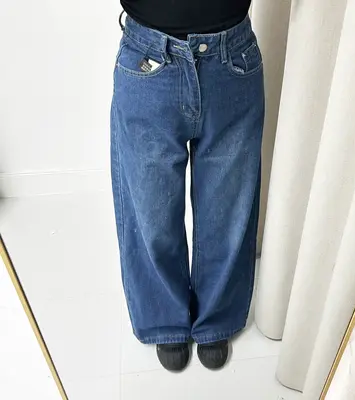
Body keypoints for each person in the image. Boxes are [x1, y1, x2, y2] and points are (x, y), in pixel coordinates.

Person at [111, 0, 265, 372]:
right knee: (150, 210)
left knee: (227, 208)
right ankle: (163, 315)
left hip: (232, 57)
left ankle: (217, 315)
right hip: (149, 57)